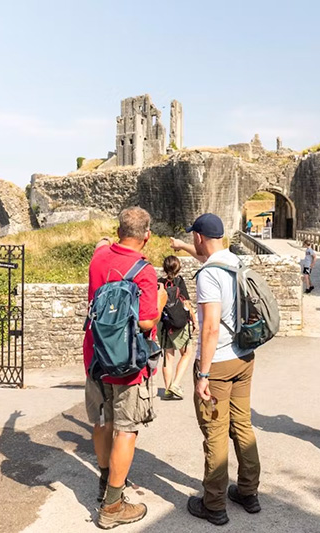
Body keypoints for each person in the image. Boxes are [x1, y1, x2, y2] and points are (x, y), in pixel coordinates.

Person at [170, 214, 261, 526]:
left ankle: (214, 504)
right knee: (243, 426)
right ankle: (248, 492)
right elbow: (205, 255)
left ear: (199, 236)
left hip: (219, 362)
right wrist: (184, 246)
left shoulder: (208, 275)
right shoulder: (234, 262)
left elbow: (210, 327)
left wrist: (203, 374)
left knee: (216, 432)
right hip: (244, 355)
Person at [84, 206, 168, 529]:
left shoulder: (99, 258)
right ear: (147, 235)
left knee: (102, 421)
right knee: (126, 429)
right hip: (129, 362)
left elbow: (100, 248)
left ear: (119, 230)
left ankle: (105, 482)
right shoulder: (144, 271)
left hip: (96, 356)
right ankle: (113, 505)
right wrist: (160, 303)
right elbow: (146, 320)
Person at [158, 255, 198, 400]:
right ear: (178, 267)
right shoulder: (179, 281)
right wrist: (194, 320)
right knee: (187, 353)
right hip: (180, 323)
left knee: (168, 357)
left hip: (164, 325)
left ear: (164, 267)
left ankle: (168, 390)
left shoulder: (159, 283)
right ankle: (175, 384)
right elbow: (186, 303)